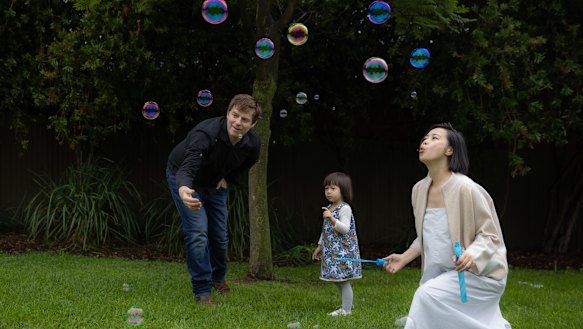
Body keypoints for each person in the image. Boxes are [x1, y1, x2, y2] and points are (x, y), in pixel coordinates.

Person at [383, 123, 511, 329]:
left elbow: (490, 235)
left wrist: (472, 255)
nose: (425, 141)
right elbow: (428, 234)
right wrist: (404, 258)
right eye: (425, 138)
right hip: (441, 276)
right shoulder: (419, 190)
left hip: (478, 274)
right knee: (432, 302)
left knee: (425, 297)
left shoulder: (466, 188)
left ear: (449, 150)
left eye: (434, 138)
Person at [166, 94, 261, 305]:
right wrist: (183, 189)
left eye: (244, 119)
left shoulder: (252, 143)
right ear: (228, 113)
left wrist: (228, 178)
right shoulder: (205, 133)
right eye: (234, 115)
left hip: (215, 183)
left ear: (252, 124)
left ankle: (218, 278)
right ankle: (202, 291)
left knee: (219, 236)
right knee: (198, 232)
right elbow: (187, 167)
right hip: (184, 178)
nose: (237, 122)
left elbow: (249, 162)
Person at [312, 172, 362, 316]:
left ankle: (346, 310)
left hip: (343, 252)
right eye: (327, 188)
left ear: (343, 190)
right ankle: (345, 306)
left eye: (333, 188)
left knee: (343, 280)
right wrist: (320, 246)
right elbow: (325, 230)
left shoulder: (344, 208)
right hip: (332, 250)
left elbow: (345, 229)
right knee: (337, 279)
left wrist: (332, 219)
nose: (328, 191)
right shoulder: (330, 207)